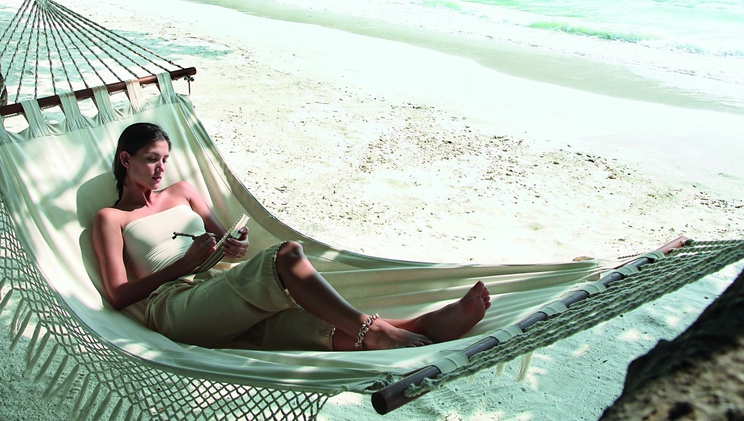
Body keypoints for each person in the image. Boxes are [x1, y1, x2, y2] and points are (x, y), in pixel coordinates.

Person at [92, 122, 490, 351]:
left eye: (165, 158)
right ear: (126, 160)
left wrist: (237, 246)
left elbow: (230, 250)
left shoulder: (183, 191)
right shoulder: (110, 219)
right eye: (151, 159)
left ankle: (422, 326)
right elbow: (118, 295)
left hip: (220, 290)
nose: (161, 168)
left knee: (311, 324)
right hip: (176, 308)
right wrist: (183, 265)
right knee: (287, 255)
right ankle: (382, 328)